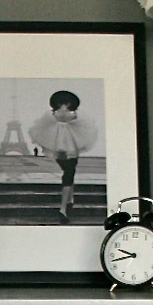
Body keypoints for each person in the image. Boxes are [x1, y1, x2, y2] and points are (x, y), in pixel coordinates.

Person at [27, 90, 98, 223]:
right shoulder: (63, 115)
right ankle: (69, 201)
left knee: (68, 173)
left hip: (67, 148)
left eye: (66, 103)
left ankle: (63, 208)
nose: (64, 106)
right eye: (62, 103)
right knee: (68, 173)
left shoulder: (57, 115)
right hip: (62, 148)